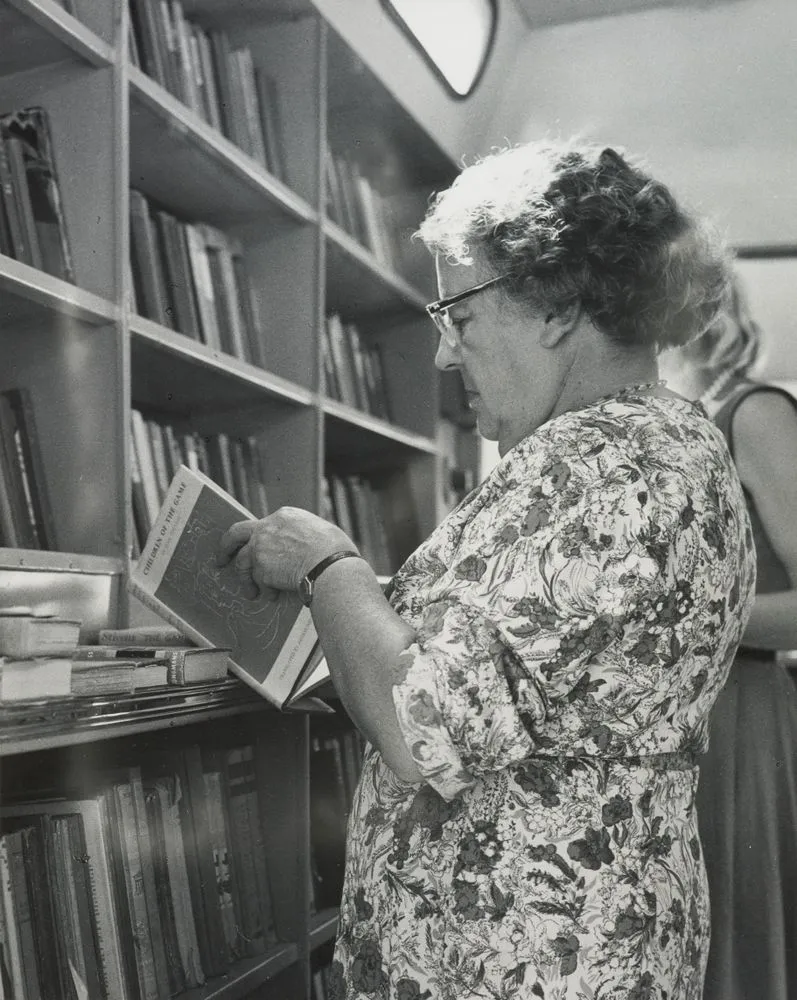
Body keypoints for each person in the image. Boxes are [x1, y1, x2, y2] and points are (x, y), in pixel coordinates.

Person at [217, 140, 756, 999]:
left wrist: (329, 563)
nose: (441, 356)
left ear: (553, 304)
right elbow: (512, 681)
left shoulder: (594, 463)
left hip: (524, 957)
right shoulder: (668, 443)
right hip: (581, 938)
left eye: (458, 317)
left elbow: (418, 730)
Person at [658, 278, 797, 1000]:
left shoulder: (756, 411)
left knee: (733, 945)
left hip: (739, 714)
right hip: (672, 717)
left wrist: (678, 622)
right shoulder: (667, 424)